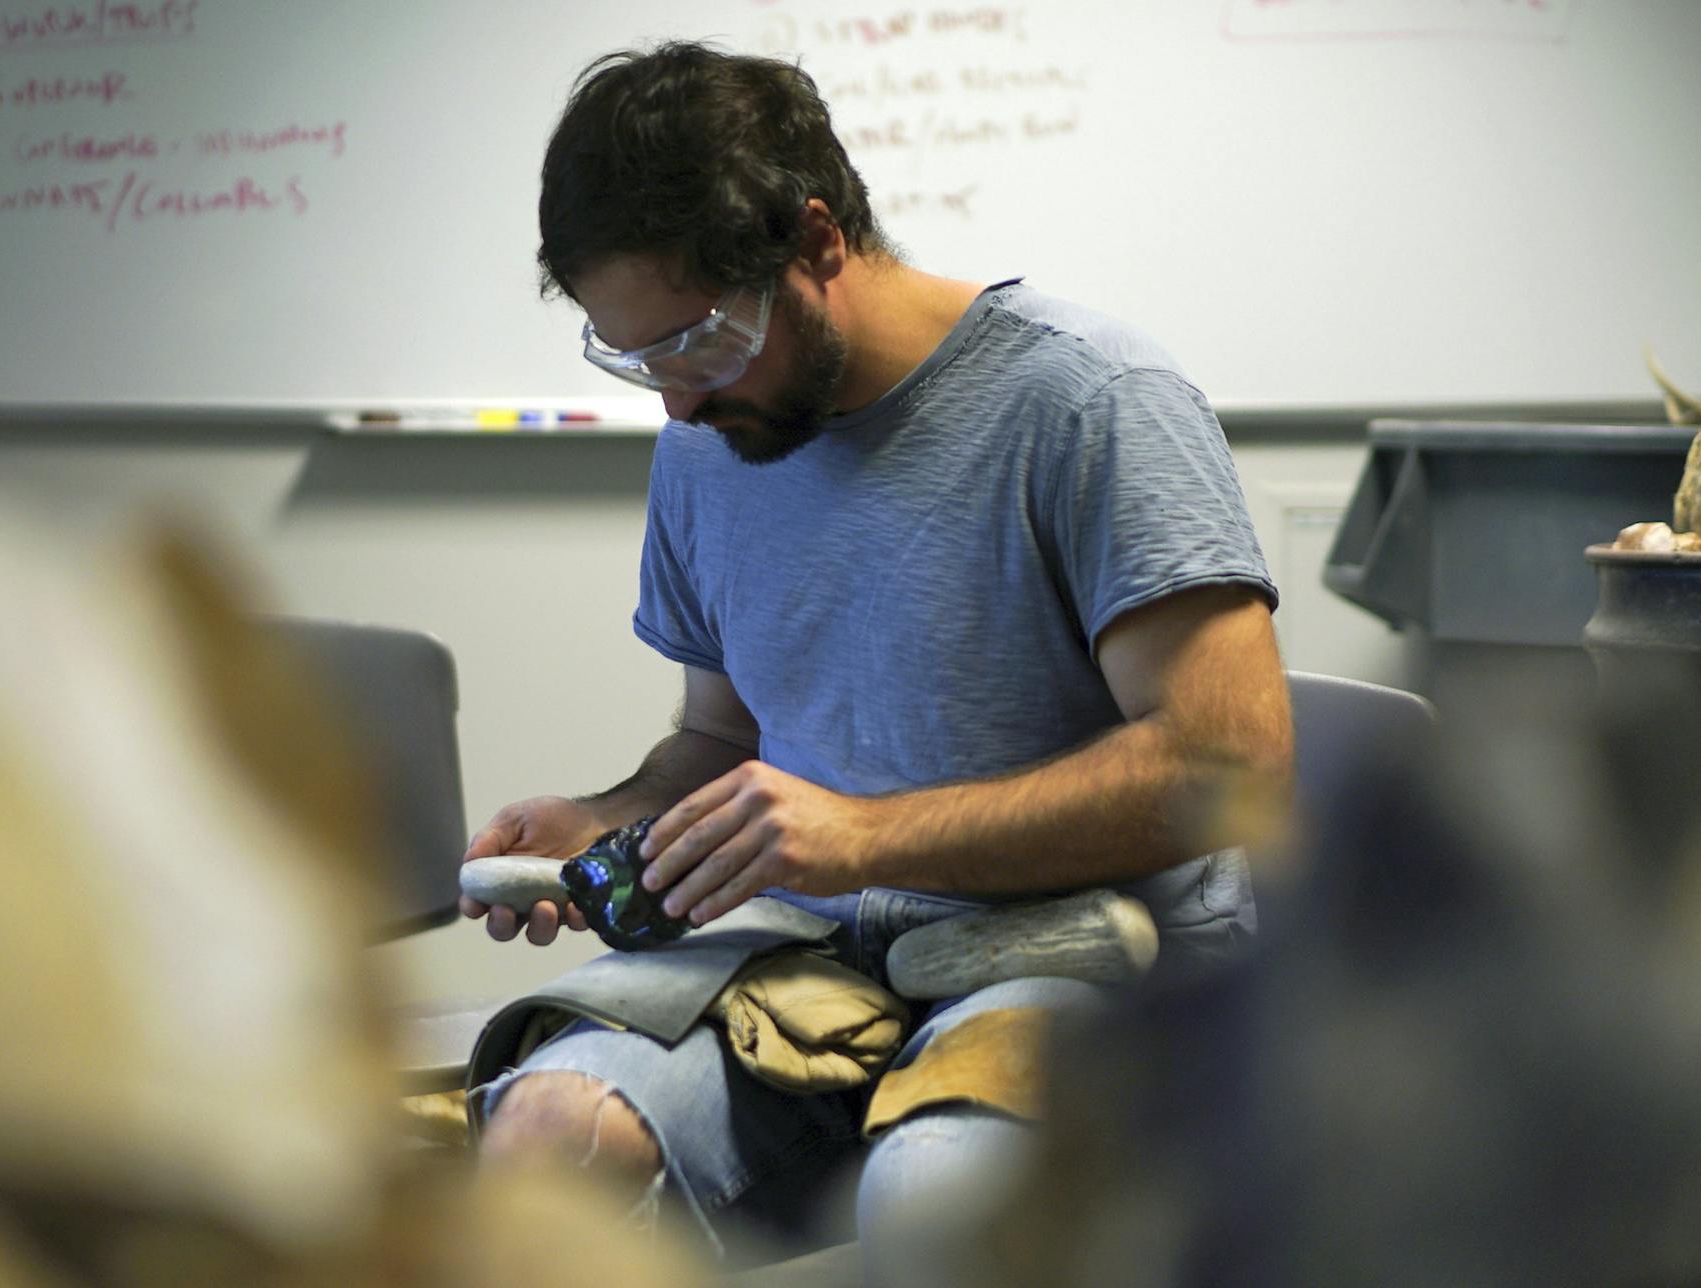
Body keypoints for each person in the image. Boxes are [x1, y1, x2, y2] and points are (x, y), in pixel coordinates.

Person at [458, 40, 1292, 1268]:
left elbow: (1234, 767)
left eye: (697, 341)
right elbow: (722, 742)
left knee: (940, 1203)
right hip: (811, 961)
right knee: (550, 1137)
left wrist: (863, 837)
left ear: (815, 244)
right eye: (633, 358)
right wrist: (611, 817)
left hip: (1089, 951)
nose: (677, 401)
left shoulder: (1093, 401)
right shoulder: (707, 449)